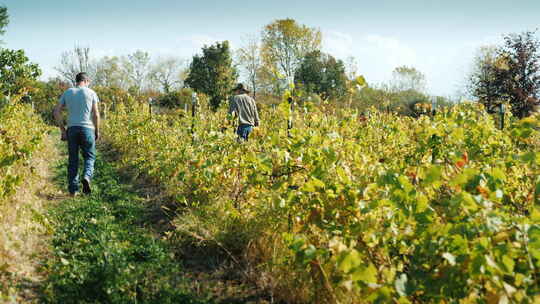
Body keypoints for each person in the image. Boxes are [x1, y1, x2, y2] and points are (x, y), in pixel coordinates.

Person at [53, 72, 100, 196]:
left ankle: (73, 190)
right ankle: (87, 176)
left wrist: (63, 130)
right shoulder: (91, 93)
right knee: (90, 157)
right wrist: (97, 130)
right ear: (87, 81)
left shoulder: (68, 92)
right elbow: (95, 114)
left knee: (73, 160)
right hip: (87, 129)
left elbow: (56, 111)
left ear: (76, 81)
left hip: (72, 129)